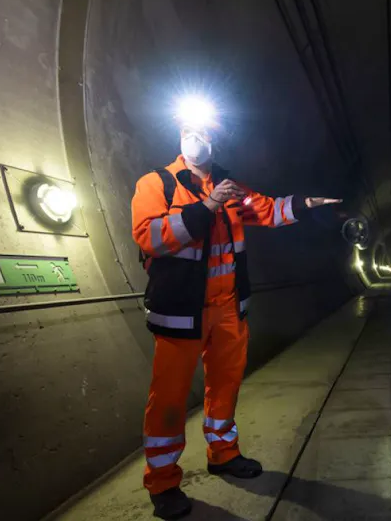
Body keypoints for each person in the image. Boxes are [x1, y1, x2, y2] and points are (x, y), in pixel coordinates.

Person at [131, 122, 340, 519]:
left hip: (228, 309)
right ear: (179, 134)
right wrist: (207, 207)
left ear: (215, 139)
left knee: (224, 387)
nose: (198, 138)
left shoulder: (230, 185)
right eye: (190, 129)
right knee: (169, 400)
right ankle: (163, 483)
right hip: (180, 312)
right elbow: (149, 236)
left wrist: (307, 204)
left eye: (206, 131)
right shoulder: (156, 183)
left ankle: (223, 453)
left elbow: (269, 210)